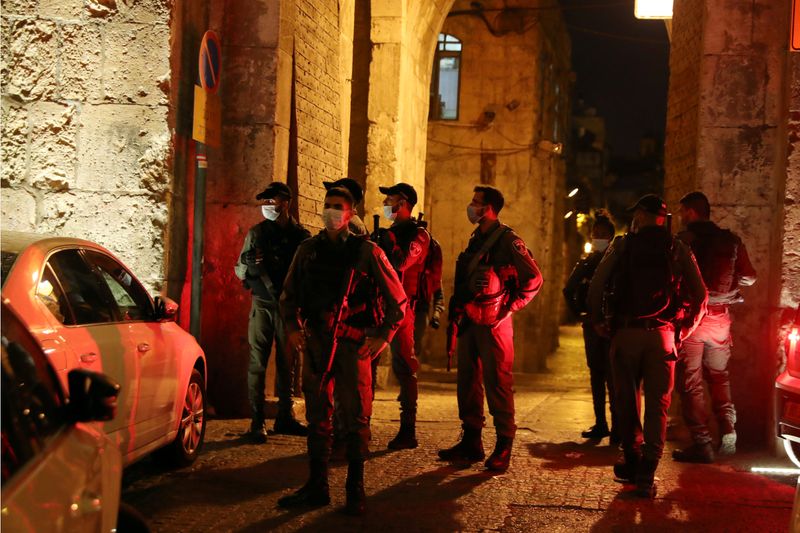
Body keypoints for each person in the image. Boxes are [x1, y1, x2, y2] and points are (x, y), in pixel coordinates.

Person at [277, 186, 406, 516]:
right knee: (318, 414)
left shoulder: (367, 252)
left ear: (350, 214)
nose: (331, 211)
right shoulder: (308, 250)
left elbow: (398, 302)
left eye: (338, 207)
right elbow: (289, 295)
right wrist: (292, 329)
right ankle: (317, 485)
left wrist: (382, 337)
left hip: (352, 344)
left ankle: (355, 487)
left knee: (356, 416)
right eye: (327, 205)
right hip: (317, 341)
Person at [588, 194, 707, 498]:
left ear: (641, 215)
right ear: (663, 218)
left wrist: (599, 321)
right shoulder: (677, 248)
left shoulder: (622, 244)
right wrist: (684, 330)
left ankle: (632, 456)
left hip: (626, 334)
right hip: (663, 336)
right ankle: (647, 471)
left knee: (627, 400)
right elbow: (701, 297)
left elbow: (597, 284)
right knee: (658, 405)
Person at [438, 185, 543, 472]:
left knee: (497, 382)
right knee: (468, 381)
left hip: (495, 323)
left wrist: (510, 308)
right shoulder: (477, 238)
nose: (471, 207)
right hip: (471, 318)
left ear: (490, 209)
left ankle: (503, 445)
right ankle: (472, 440)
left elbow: (534, 279)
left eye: (476, 203)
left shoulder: (508, 241)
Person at [671, 191, 757, 463]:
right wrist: (732, 285)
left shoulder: (686, 241)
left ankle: (702, 441)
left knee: (691, 381)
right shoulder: (731, 240)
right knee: (719, 375)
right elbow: (750, 277)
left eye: (684, 212)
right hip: (721, 320)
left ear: (691, 212)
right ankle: (729, 430)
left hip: (694, 320)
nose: (682, 218)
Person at [234, 181, 311, 442]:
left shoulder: (301, 237)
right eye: (264, 202)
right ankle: (257, 422)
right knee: (258, 362)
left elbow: (307, 275)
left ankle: (285, 417)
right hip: (263, 304)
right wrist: (246, 262)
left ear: (286, 203)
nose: (267, 206)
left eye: (272, 202)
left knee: (287, 363)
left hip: (289, 308)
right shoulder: (256, 233)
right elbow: (239, 271)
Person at [374, 183, 430, 449]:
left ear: (405, 203)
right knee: (365, 363)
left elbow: (402, 263)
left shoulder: (418, 235)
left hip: (403, 307)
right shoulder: (389, 232)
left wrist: (389, 243)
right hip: (378, 304)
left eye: (391, 199)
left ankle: (408, 430)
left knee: (405, 367)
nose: (386, 203)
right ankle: (359, 424)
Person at [563, 212, 618, 443]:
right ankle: (605, 424)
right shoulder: (591, 262)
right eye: (595, 234)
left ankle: (614, 426)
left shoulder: (612, 262)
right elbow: (568, 290)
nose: (598, 237)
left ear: (611, 236)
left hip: (608, 326)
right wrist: (581, 315)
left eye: (602, 234)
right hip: (599, 326)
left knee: (610, 376)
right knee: (600, 375)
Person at [412, 216, 445, 362]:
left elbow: (438, 290)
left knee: (414, 346)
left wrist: (436, 314)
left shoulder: (429, 269)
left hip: (420, 309)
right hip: (403, 307)